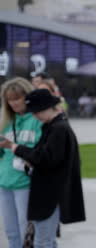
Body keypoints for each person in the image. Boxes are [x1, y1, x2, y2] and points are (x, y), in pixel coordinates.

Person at [0, 88, 86, 248]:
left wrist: (15, 148)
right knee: (45, 241)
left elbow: (44, 159)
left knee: (42, 242)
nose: (34, 116)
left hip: (50, 195)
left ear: (46, 108)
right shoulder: (53, 126)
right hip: (47, 193)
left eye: (36, 111)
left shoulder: (59, 129)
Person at [0, 78, 42, 248]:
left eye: (17, 98)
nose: (14, 103)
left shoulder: (37, 120)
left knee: (27, 229)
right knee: (10, 231)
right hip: (5, 182)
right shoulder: (6, 122)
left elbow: (40, 153)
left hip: (25, 182)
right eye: (10, 99)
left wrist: (14, 146)